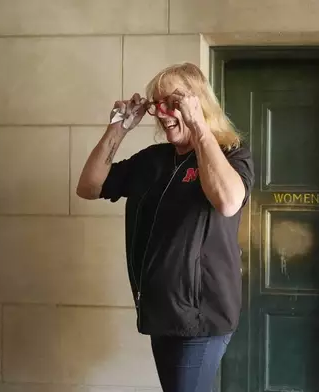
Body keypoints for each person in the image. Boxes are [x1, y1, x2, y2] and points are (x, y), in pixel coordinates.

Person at [76, 62, 254, 392]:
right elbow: (89, 186)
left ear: (198, 102)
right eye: (158, 103)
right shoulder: (153, 160)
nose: (162, 111)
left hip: (202, 315)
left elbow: (228, 201)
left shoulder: (231, 155)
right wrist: (118, 128)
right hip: (160, 310)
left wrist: (199, 126)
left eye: (173, 102)